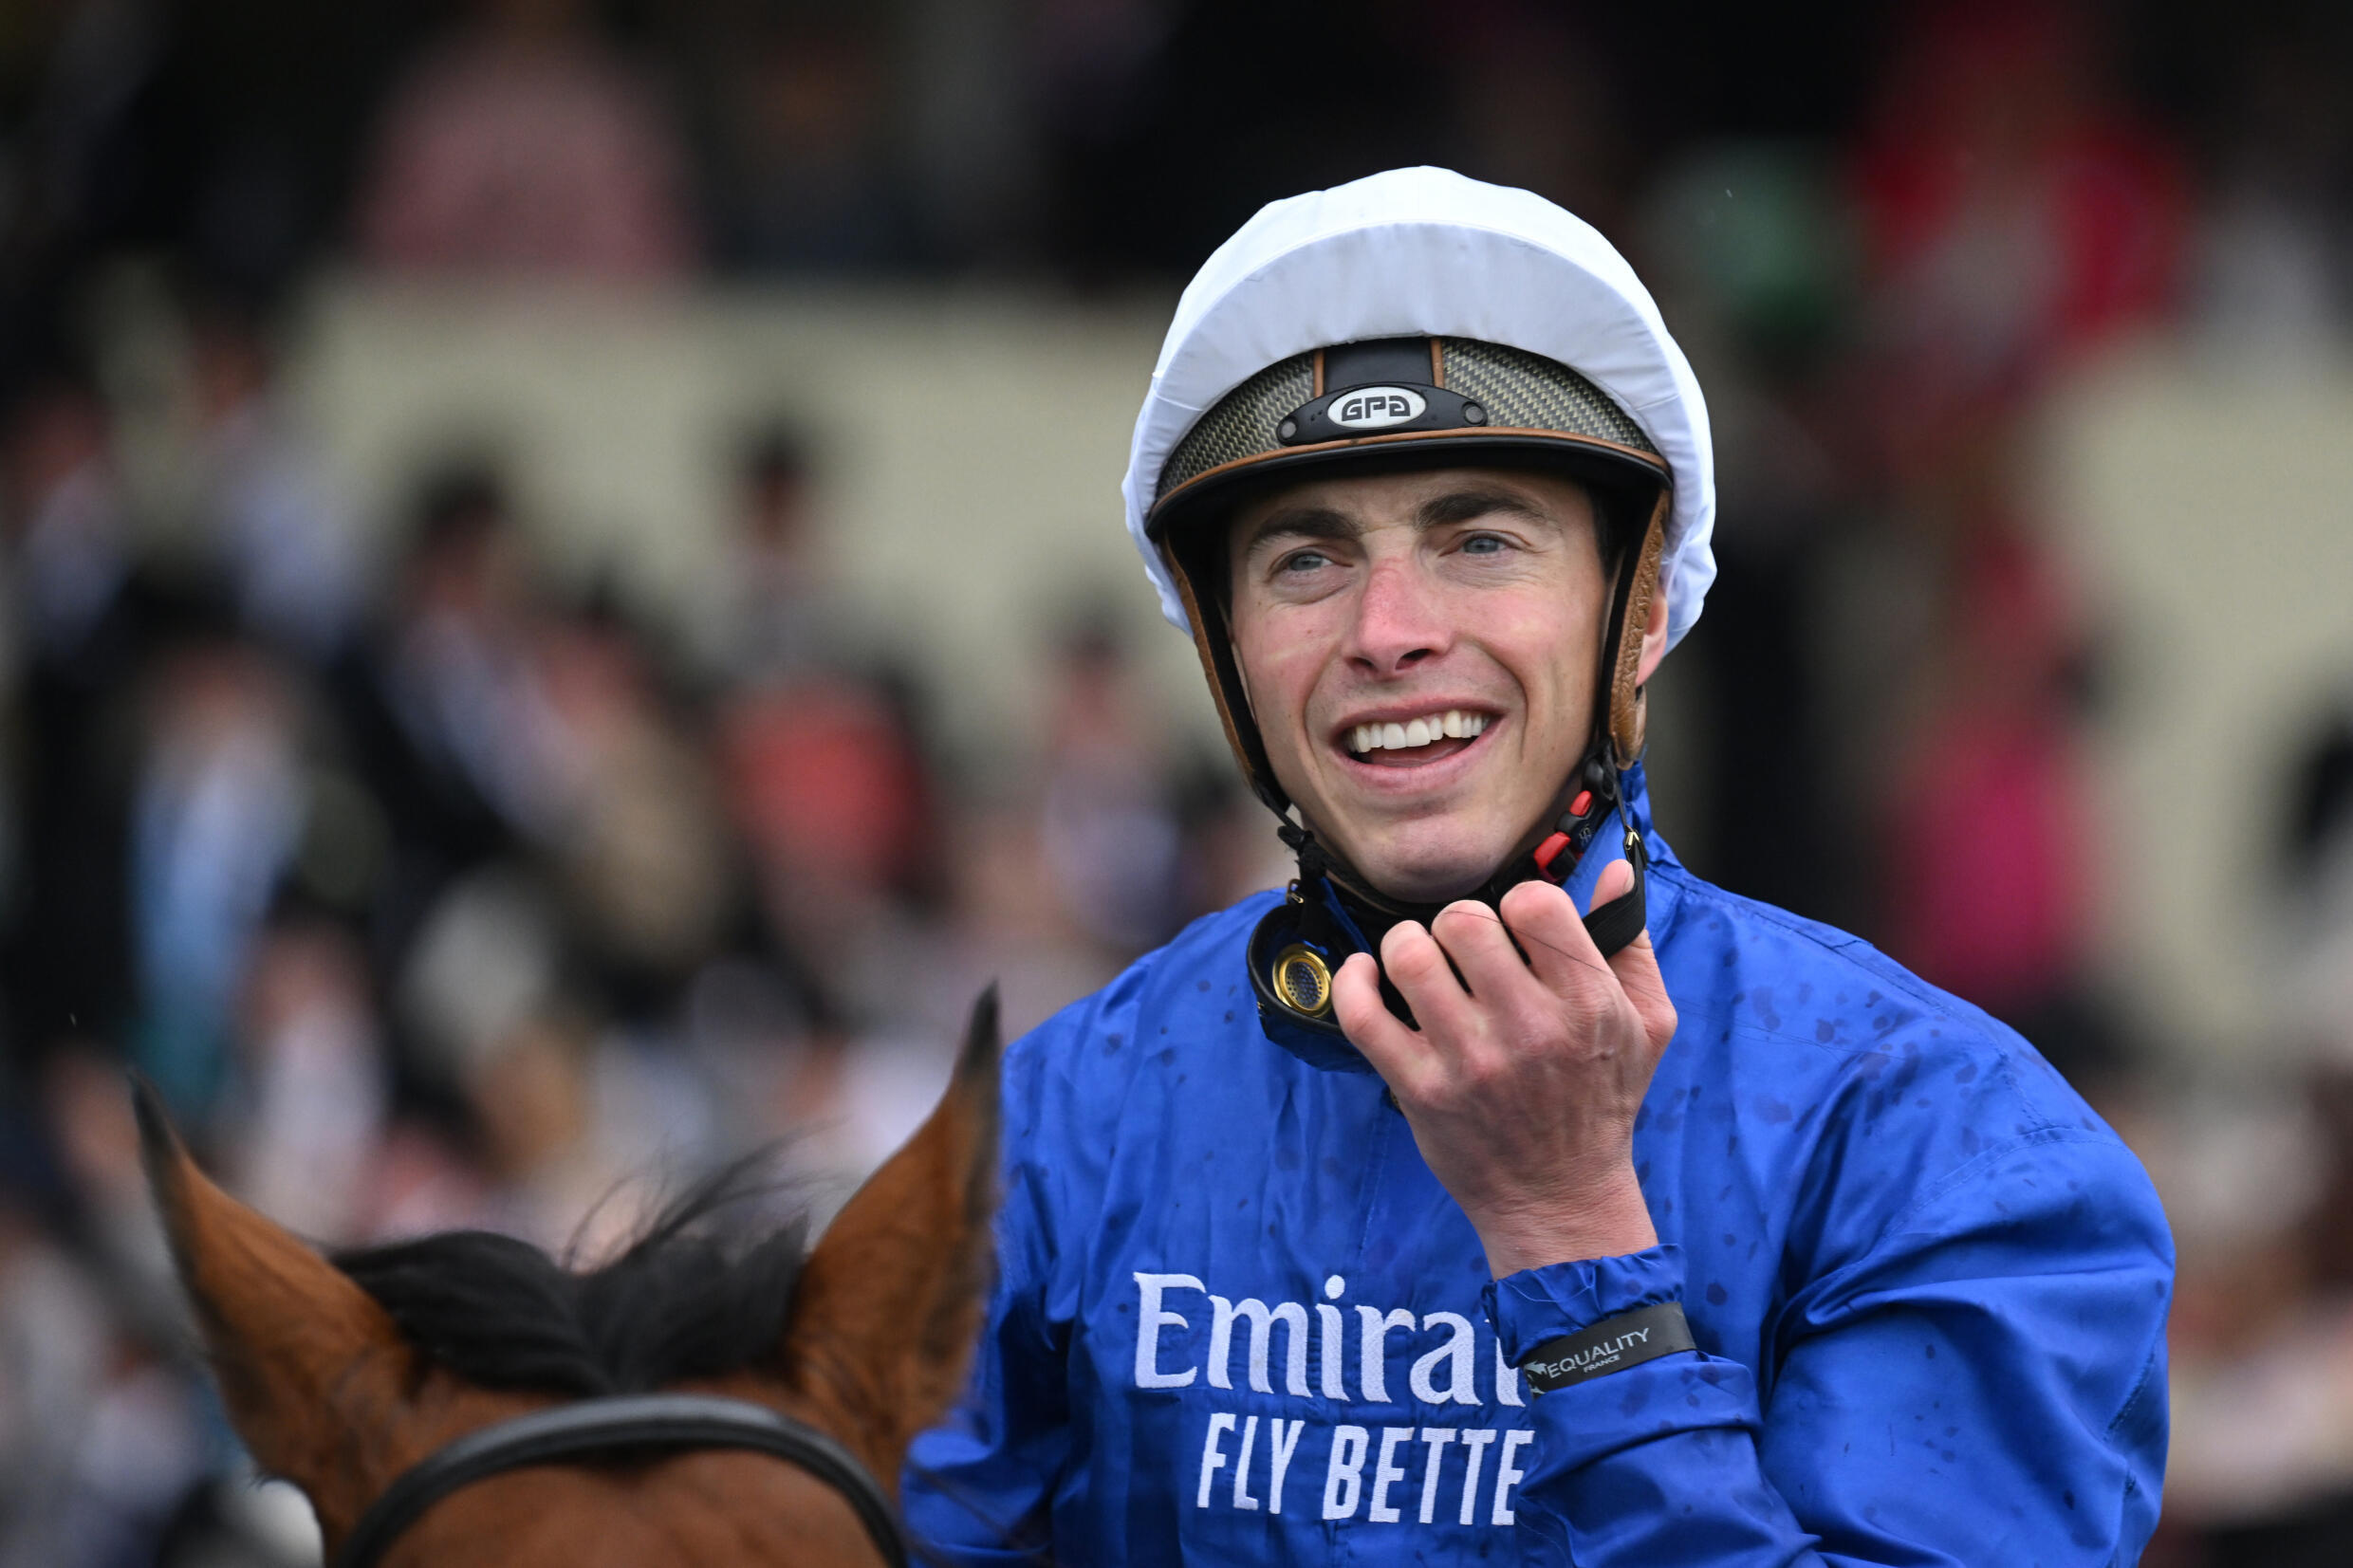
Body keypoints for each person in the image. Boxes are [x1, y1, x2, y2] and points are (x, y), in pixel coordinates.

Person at [901, 168, 2170, 1565]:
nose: (1387, 631)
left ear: (1639, 619)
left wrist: (1571, 1237)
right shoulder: (1057, 1121)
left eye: (1481, 540)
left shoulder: (1956, 1147)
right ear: (1227, 657)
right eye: (1305, 560)